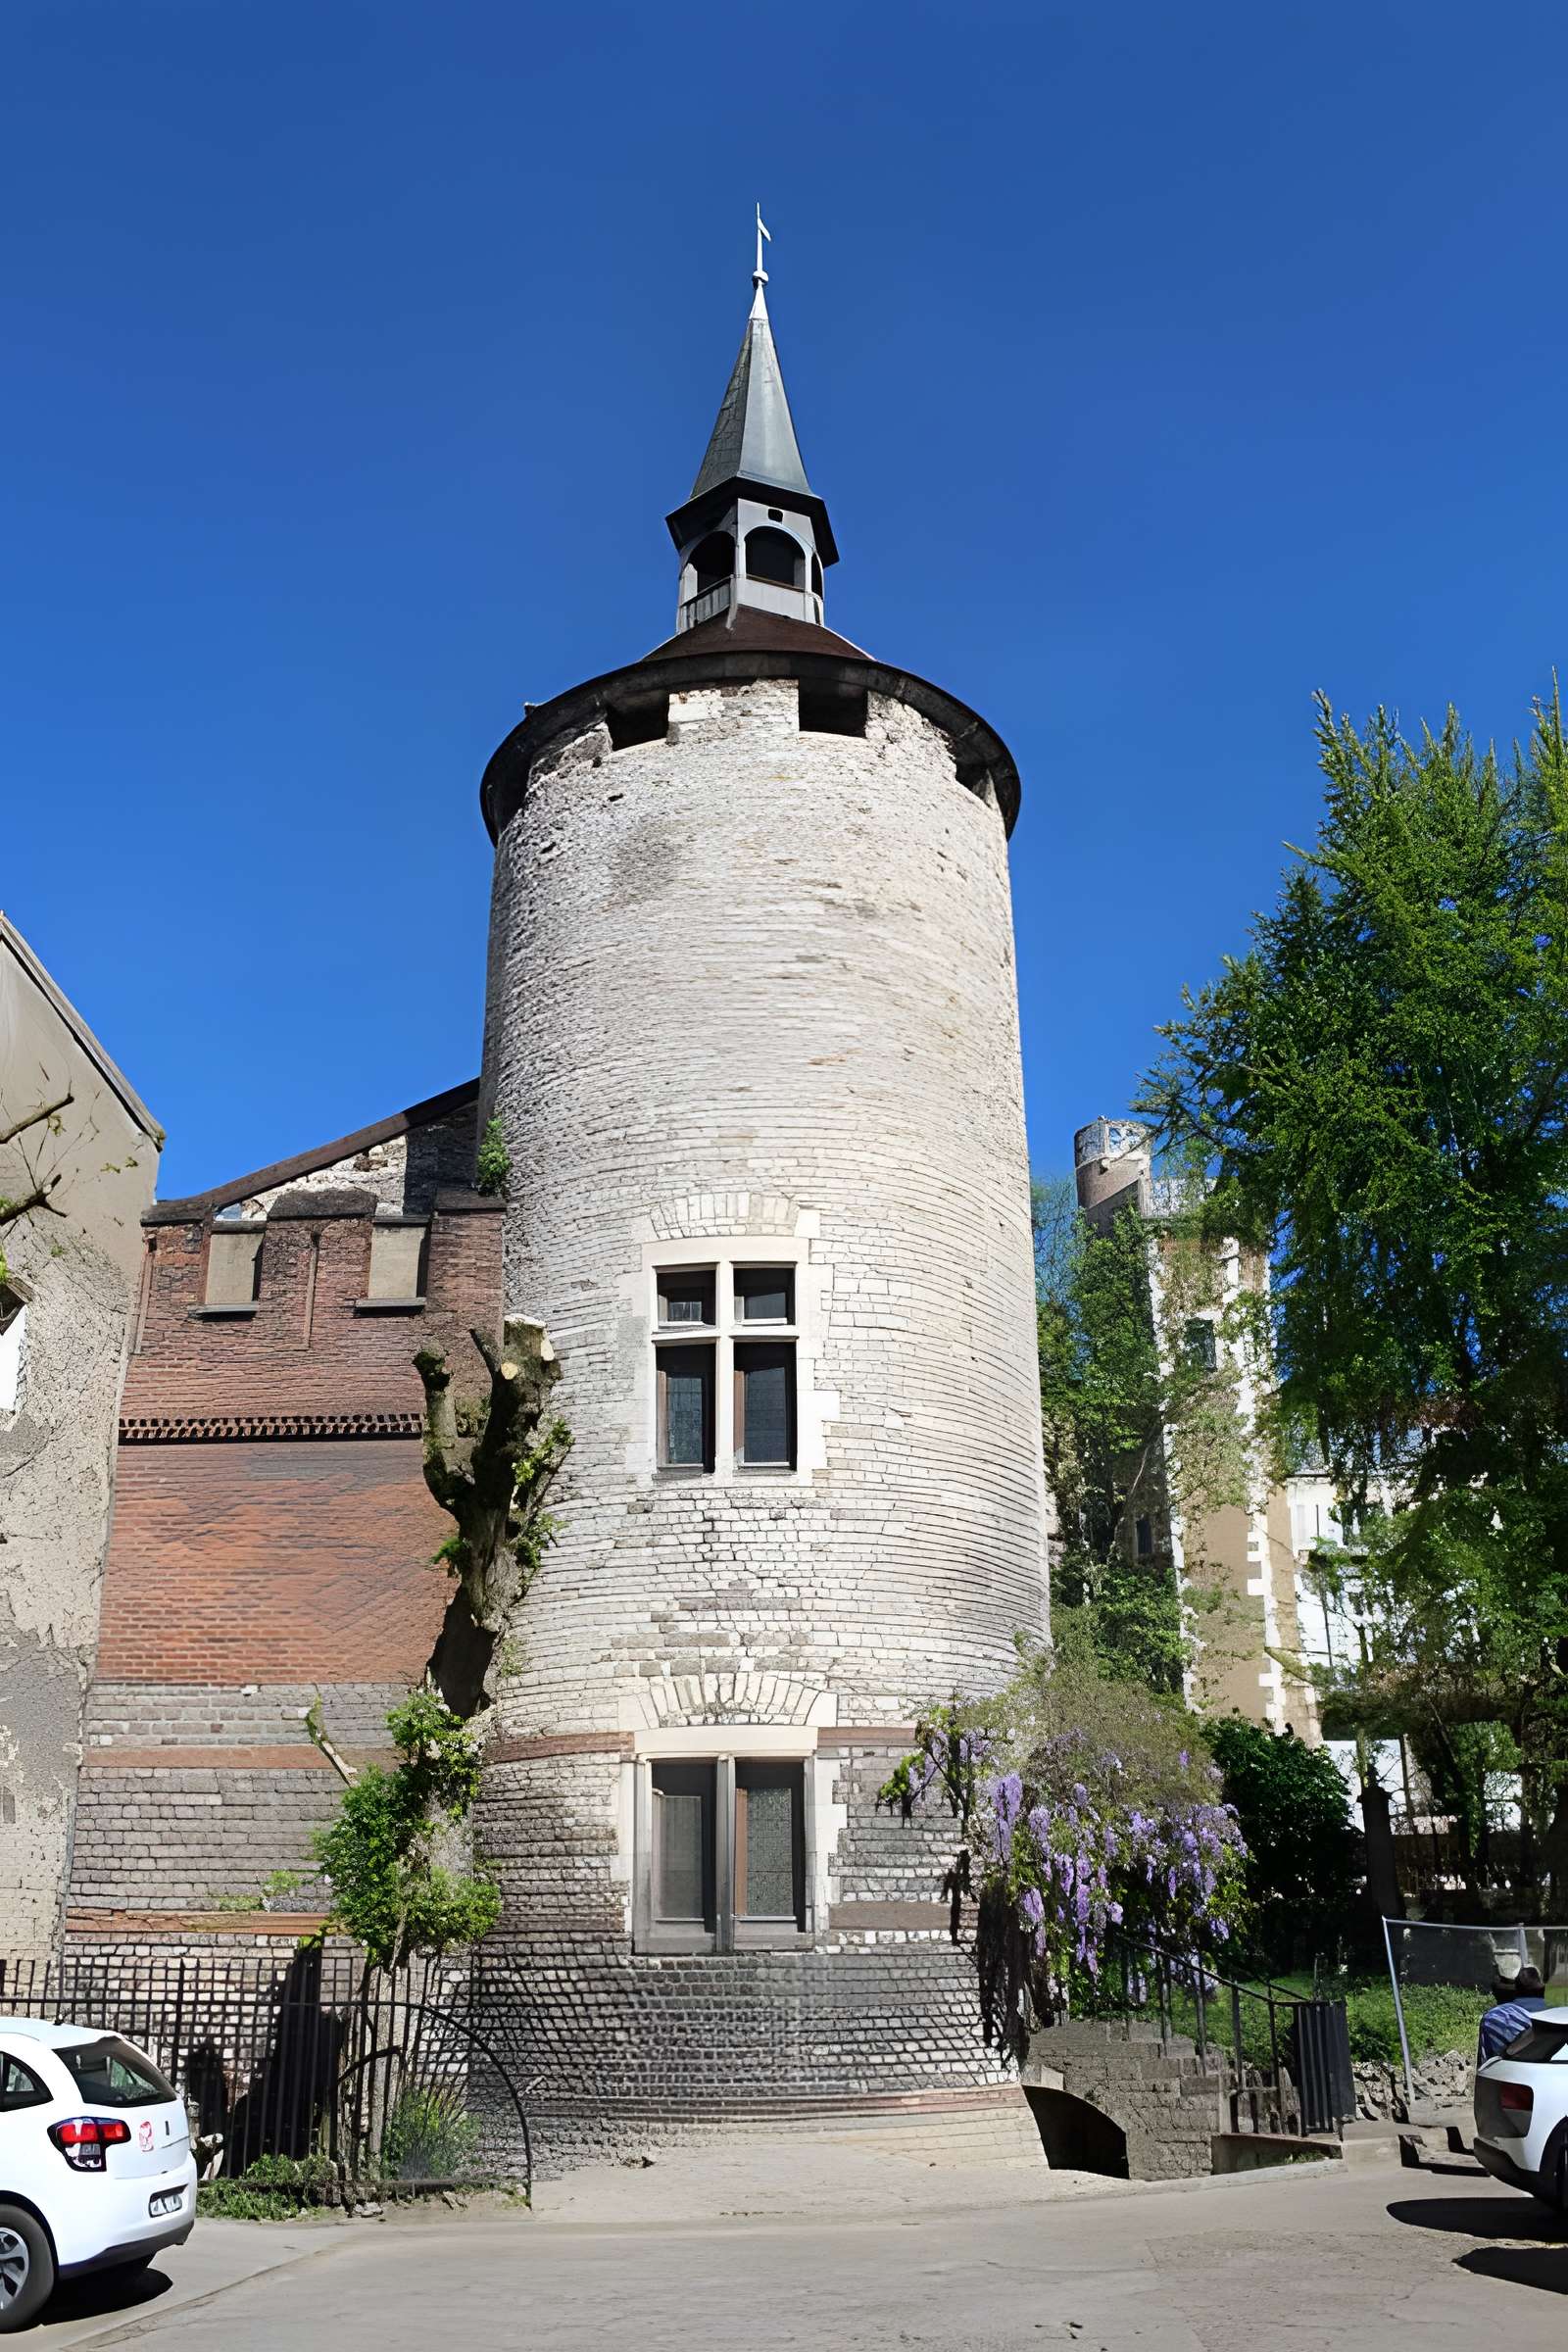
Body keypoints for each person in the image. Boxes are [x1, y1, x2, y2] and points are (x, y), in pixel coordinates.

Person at [1478, 1964, 1547, 2059]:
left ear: (1515, 1988)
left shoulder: (1492, 2017)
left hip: (1505, 2071)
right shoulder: (1560, 2016)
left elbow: (1485, 2063)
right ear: (1543, 1988)